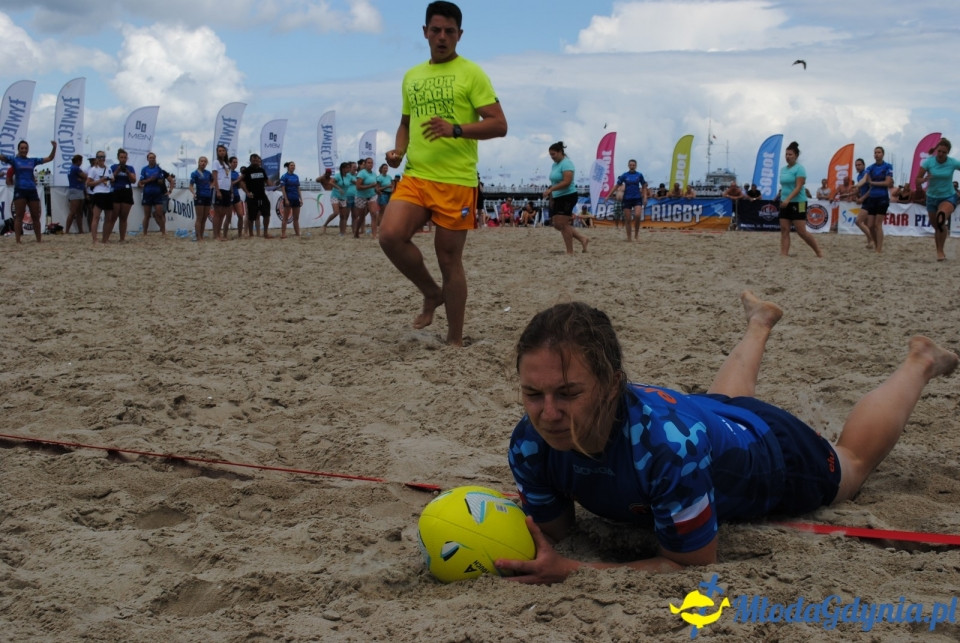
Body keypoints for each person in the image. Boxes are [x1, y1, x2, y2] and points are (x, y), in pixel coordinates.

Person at [495, 292, 959, 584]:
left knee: (851, 463)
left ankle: (919, 361)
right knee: (720, 404)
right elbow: (556, 533)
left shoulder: (665, 447)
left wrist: (571, 571)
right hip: (705, 417)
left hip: (774, 454)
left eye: (569, 393)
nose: (548, 413)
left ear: (614, 385)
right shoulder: (529, 443)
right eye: (532, 393)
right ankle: (759, 322)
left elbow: (689, 565)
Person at [379, 1, 508, 346]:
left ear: (459, 35)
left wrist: (455, 129)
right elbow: (405, 124)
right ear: (425, 32)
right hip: (417, 175)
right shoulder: (412, 76)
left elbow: (499, 124)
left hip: (457, 180)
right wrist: (398, 151)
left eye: (449, 31)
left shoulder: (472, 73)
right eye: (435, 30)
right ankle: (430, 292)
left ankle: (454, 339)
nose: (442, 37)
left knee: (449, 259)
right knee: (390, 236)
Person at [0, 139, 57, 243]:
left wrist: (54, 147)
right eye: (22, 148)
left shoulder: (32, 161)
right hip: (20, 190)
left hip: (32, 190)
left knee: (35, 216)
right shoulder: (14, 160)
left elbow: (50, 158)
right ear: (18, 149)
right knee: (19, 216)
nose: (24, 150)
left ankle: (39, 240)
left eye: (25, 148)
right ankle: (18, 241)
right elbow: (2, 157)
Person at [915, 137, 960, 261]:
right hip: (931, 198)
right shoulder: (928, 162)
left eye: (944, 152)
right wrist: (923, 179)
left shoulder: (953, 162)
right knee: (938, 227)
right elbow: (917, 179)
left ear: (948, 153)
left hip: (949, 196)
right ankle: (940, 250)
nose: (940, 154)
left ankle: (940, 252)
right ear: (937, 151)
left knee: (941, 218)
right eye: (939, 151)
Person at [777, 141, 822, 257]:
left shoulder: (800, 169)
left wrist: (788, 199)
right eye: (786, 154)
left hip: (799, 202)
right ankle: (784, 254)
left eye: (790, 154)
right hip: (784, 202)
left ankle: (818, 252)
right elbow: (785, 186)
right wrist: (783, 198)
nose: (787, 157)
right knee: (784, 229)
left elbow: (798, 187)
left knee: (801, 231)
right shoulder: (783, 170)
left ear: (796, 156)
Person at [543, 141, 588, 255]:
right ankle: (583, 239)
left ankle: (570, 251)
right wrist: (552, 196)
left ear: (560, 152)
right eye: (550, 155)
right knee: (557, 224)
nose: (552, 157)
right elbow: (554, 182)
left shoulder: (567, 163)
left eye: (553, 154)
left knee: (562, 224)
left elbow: (567, 182)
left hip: (568, 196)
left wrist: (551, 190)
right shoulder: (554, 165)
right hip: (558, 196)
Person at [856, 147, 893, 254]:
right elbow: (864, 179)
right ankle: (875, 244)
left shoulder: (887, 166)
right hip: (872, 198)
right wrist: (856, 185)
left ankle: (879, 248)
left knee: (878, 224)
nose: (876, 154)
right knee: (870, 225)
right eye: (875, 153)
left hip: (882, 198)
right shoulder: (870, 167)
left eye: (879, 152)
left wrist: (873, 183)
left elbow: (887, 183)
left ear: (883, 154)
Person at [103, 148, 136, 243]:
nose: (123, 159)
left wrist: (128, 172)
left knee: (124, 217)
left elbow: (134, 180)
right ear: (118, 158)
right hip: (116, 192)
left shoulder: (130, 168)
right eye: (121, 157)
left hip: (126, 192)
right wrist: (117, 171)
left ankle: (122, 238)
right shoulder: (113, 167)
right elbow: (110, 179)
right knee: (113, 217)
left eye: (125, 157)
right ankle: (107, 238)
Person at [138, 152, 175, 236]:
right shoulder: (144, 169)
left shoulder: (159, 169)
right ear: (147, 159)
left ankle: (163, 232)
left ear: (155, 159)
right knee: (147, 215)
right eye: (150, 158)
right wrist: (150, 180)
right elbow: (141, 182)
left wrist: (169, 190)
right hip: (147, 193)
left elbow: (166, 180)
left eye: (153, 158)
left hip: (158, 194)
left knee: (160, 214)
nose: (152, 159)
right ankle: (144, 233)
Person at [240, 153, 272, 239]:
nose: (255, 161)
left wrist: (272, 185)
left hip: (262, 195)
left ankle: (265, 233)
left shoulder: (262, 170)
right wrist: (247, 192)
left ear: (259, 161)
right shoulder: (247, 170)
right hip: (252, 196)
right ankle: (251, 234)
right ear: (250, 161)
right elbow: (242, 182)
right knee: (251, 216)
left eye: (257, 160)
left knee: (267, 214)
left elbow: (267, 181)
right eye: (253, 160)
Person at [615, 159, 647, 242]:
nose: (632, 166)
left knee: (637, 215)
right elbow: (617, 185)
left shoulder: (639, 175)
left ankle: (636, 235)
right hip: (627, 199)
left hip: (637, 198)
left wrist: (645, 197)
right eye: (631, 165)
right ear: (628, 166)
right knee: (628, 219)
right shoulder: (624, 175)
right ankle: (629, 237)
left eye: (633, 165)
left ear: (635, 166)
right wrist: (608, 195)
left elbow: (644, 186)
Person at [85, 151, 113, 245]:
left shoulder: (108, 169)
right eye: (100, 157)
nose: (102, 159)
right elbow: (88, 183)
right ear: (96, 158)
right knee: (96, 217)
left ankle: (105, 239)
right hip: (98, 193)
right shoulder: (93, 170)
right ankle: (95, 239)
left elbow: (112, 179)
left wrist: (110, 180)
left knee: (108, 218)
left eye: (103, 157)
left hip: (108, 193)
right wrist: (100, 180)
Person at [210, 144, 232, 241]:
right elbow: (214, 176)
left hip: (227, 190)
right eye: (220, 151)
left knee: (223, 214)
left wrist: (231, 190)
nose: (222, 152)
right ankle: (216, 235)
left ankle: (220, 234)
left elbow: (229, 178)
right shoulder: (216, 162)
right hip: (220, 189)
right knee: (217, 214)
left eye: (223, 150)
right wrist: (217, 190)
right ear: (217, 152)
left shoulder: (227, 164)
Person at [189, 157, 213, 241]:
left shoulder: (208, 173)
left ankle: (201, 236)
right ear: (198, 162)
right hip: (199, 196)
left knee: (204, 218)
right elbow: (191, 185)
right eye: (202, 161)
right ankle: (198, 236)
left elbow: (213, 181)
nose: (203, 163)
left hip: (208, 196)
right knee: (199, 217)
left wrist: (211, 186)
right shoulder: (195, 173)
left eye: (205, 161)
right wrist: (193, 193)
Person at [355, 157, 380, 238]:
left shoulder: (374, 174)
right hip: (361, 197)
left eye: (371, 163)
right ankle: (356, 232)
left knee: (374, 214)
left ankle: (374, 235)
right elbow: (358, 187)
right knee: (361, 217)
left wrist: (377, 190)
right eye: (368, 162)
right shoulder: (361, 173)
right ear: (365, 164)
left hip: (372, 196)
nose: (370, 164)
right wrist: (370, 186)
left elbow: (375, 186)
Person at [278, 161, 303, 238]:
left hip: (296, 198)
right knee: (285, 217)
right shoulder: (284, 176)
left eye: (294, 165)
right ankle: (283, 233)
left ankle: (297, 232)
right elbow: (283, 189)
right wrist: (286, 199)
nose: (293, 166)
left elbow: (298, 188)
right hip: (288, 198)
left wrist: (301, 199)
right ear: (288, 167)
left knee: (296, 218)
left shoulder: (296, 176)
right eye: (291, 165)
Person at [65, 154, 87, 234]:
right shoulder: (76, 168)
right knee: (74, 212)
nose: (81, 163)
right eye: (81, 161)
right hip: (77, 189)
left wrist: (81, 179)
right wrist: (82, 179)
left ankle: (79, 230)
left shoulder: (71, 168)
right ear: (78, 161)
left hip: (75, 189)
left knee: (78, 212)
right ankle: (67, 230)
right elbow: (86, 176)